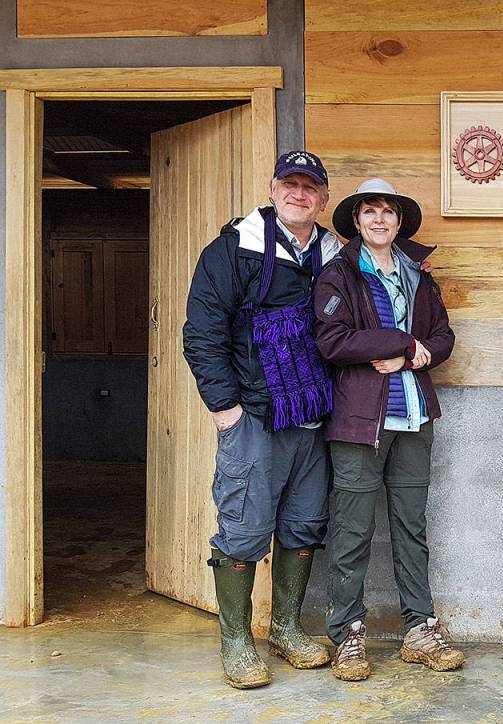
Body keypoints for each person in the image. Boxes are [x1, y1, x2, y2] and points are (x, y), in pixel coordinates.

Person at [183, 150, 338, 688]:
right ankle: (236, 642)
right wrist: (225, 409)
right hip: (252, 415)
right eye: (289, 185)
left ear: (322, 198)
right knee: (245, 529)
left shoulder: (332, 253)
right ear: (273, 189)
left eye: (310, 188)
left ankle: (288, 629)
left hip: (313, 418)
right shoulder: (233, 250)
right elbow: (201, 333)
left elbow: (392, 262)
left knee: (303, 525)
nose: (299, 195)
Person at [313, 178, 462, 682]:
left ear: (399, 222)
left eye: (388, 212)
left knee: (411, 528)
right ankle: (347, 635)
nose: (379, 219)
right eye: (369, 212)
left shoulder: (418, 274)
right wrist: (401, 340)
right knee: (353, 531)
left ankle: (420, 629)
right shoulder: (339, 275)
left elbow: (442, 337)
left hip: (414, 415)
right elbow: (332, 342)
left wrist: (419, 351)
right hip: (360, 422)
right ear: (356, 221)